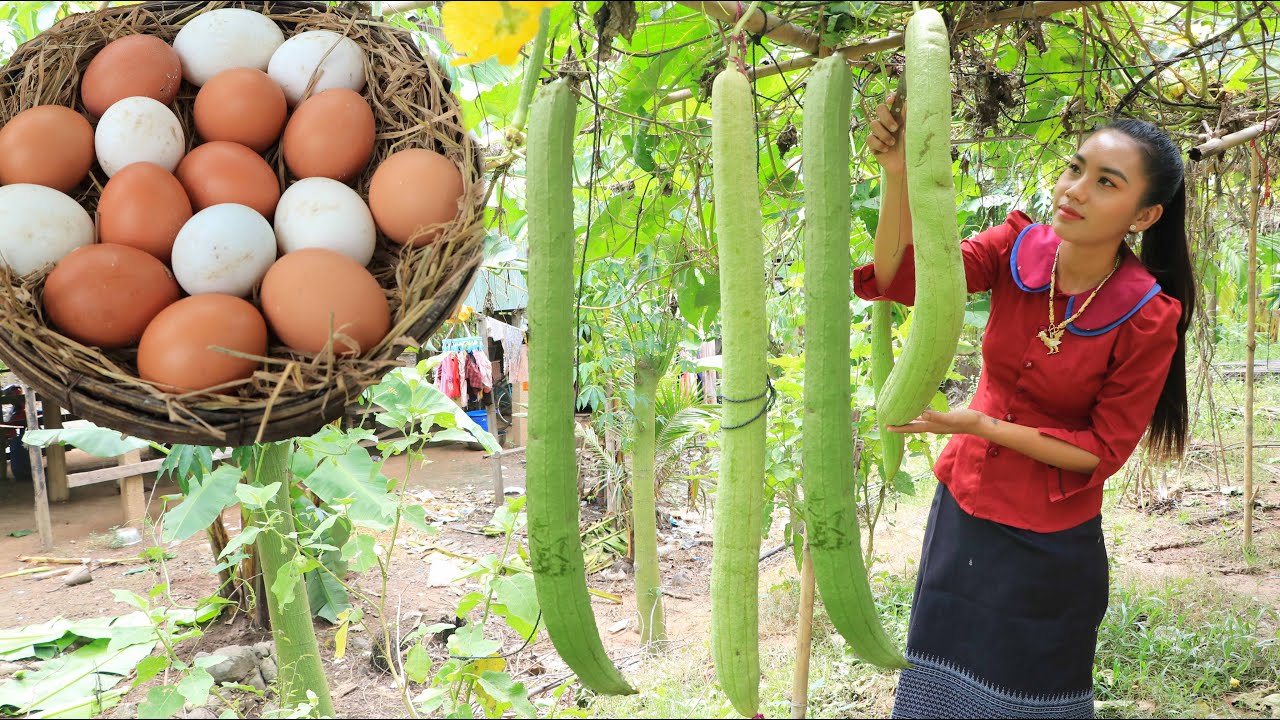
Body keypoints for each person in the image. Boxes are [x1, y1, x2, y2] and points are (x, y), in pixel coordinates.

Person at [854, 93, 1195, 719]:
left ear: (1143, 215)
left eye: (1105, 182)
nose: (1076, 188)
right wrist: (897, 175)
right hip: (962, 511)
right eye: (1075, 167)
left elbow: (1102, 451)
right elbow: (907, 278)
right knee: (938, 687)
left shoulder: (1147, 314)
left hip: (1050, 545)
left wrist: (981, 424)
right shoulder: (1017, 245)